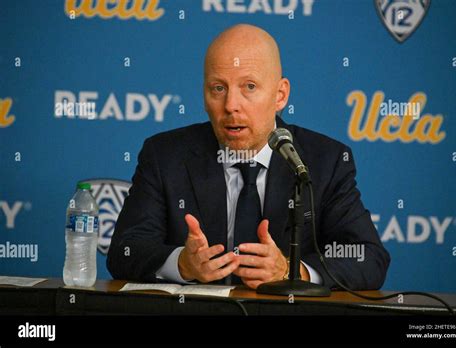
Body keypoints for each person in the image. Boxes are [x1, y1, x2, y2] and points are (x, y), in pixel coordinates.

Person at [107, 24, 390, 290]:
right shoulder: (165, 155)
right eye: (218, 88)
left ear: (280, 95)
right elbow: (124, 250)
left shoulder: (324, 162)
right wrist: (182, 264)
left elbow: (369, 257)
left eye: (249, 87)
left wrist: (293, 271)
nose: (231, 105)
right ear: (204, 95)